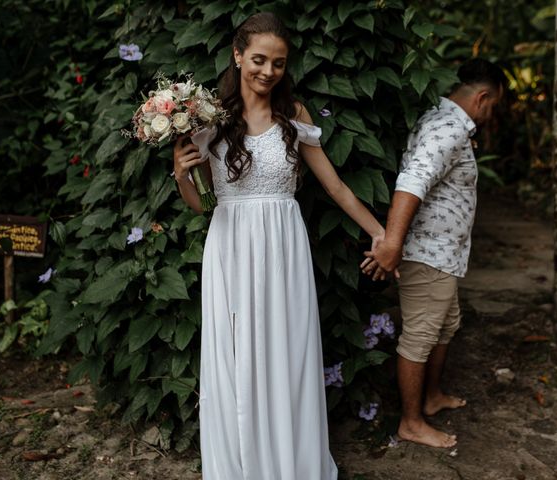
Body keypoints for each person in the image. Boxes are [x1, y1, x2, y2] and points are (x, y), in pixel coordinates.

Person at [173, 12, 385, 480]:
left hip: (283, 250)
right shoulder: (209, 118)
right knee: (235, 356)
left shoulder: (295, 115)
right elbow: (201, 204)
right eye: (259, 60)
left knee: (285, 353)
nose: (268, 72)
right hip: (230, 247)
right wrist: (182, 173)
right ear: (237, 55)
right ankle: (240, 465)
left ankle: (288, 462)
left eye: (279, 63)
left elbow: (337, 188)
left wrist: (380, 233)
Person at [361, 58, 506, 448]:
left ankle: (431, 396)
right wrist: (392, 244)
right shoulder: (449, 129)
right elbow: (412, 180)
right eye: (493, 106)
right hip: (428, 255)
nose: (490, 114)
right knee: (420, 338)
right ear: (482, 97)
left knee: (446, 325)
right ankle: (411, 422)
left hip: (444, 256)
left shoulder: (443, 120)